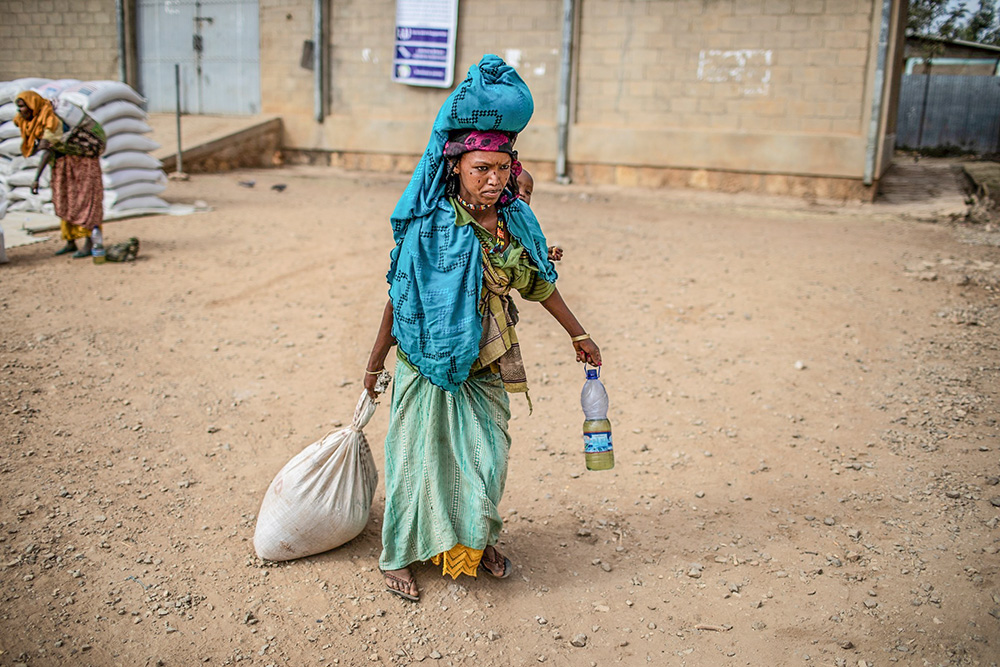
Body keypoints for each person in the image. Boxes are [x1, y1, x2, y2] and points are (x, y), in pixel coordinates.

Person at [363, 55, 601, 602]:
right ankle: (397, 553)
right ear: (455, 169)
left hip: (486, 360)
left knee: (487, 461)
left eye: (501, 169)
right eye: (479, 170)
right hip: (428, 363)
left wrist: (578, 333)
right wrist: (376, 361)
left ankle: (476, 539)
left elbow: (539, 282)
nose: (492, 181)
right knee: (416, 463)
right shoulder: (431, 228)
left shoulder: (514, 221)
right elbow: (399, 299)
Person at [14, 91, 106, 258]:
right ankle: (70, 240)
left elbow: (45, 146)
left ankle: (89, 242)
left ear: (32, 105)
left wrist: (34, 152)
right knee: (64, 201)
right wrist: (36, 178)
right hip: (62, 165)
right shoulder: (37, 121)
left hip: (82, 164)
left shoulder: (50, 119)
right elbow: (49, 149)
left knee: (85, 202)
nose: (20, 110)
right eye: (18, 107)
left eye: (22, 106)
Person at [517, 168, 564, 262]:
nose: (522, 193)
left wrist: (542, 252)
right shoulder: (493, 218)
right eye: (516, 187)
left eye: (528, 192)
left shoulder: (527, 223)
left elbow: (526, 249)